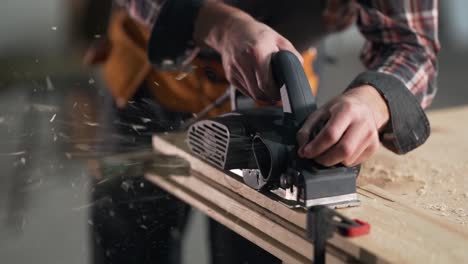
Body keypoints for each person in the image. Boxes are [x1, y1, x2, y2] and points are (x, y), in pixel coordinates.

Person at [78, 0, 439, 263]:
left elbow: (412, 46)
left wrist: (372, 102)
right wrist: (219, 23)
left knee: (260, 246)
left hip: (281, 83)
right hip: (152, 78)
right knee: (129, 247)